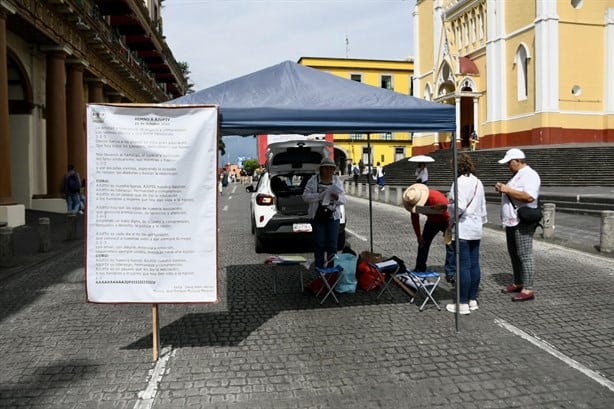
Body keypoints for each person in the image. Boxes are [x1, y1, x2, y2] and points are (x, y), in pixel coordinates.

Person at [441, 153, 487, 315]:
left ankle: (462, 303)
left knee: (463, 266)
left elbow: (458, 207)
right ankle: (473, 299)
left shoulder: (458, 183)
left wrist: (450, 207)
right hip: (476, 227)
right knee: (474, 264)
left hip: (463, 228)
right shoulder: (478, 182)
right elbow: (482, 207)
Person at [495, 148, 541, 302]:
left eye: (509, 163)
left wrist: (507, 189)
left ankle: (528, 288)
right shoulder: (517, 175)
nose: (508, 166)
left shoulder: (530, 175)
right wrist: (504, 189)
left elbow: (529, 197)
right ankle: (519, 281)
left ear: (518, 161)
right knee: (514, 253)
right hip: (512, 221)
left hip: (522, 220)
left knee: (524, 254)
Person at [302, 158, 346, 269]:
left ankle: (331, 272)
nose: (329, 170)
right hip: (318, 216)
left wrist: (337, 197)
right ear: (321, 169)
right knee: (319, 244)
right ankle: (319, 271)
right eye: (326, 167)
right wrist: (320, 196)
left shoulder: (337, 181)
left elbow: (343, 200)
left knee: (332, 245)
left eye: (331, 168)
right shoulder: (313, 180)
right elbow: (305, 196)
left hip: (333, 217)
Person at [402, 183, 450, 272]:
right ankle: (419, 268)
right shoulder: (413, 201)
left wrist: (448, 230)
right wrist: (418, 236)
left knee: (450, 244)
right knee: (423, 243)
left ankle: (451, 269)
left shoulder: (435, 199)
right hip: (432, 221)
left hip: (445, 220)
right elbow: (415, 219)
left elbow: (448, 215)